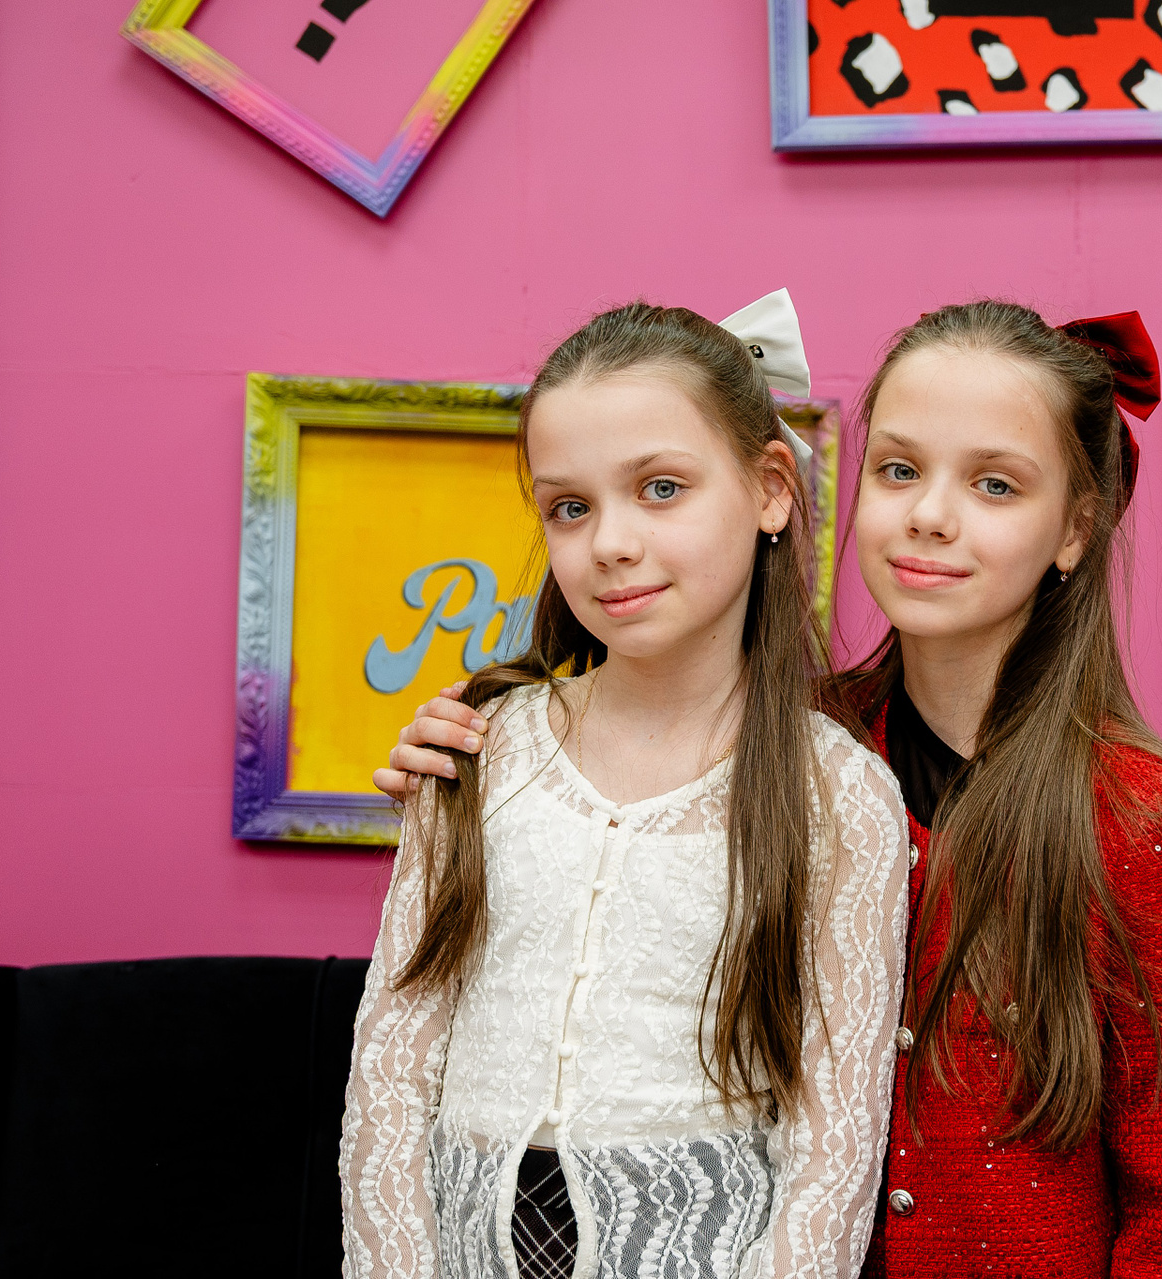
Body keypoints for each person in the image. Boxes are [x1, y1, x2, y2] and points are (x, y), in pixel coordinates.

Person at [378, 300, 1162, 1278]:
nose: (930, 514)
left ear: (1075, 528)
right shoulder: (788, 750)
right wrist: (468, 774)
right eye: (899, 470)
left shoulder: (1140, 809)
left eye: (995, 484)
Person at [342, 293, 910, 1279]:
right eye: (570, 506)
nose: (608, 542)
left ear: (771, 488)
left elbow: (834, 1147)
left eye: (660, 488)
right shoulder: (478, 748)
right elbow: (390, 1076)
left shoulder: (841, 793)